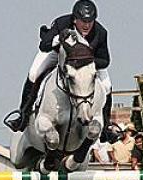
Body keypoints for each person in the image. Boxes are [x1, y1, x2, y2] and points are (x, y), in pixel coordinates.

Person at [7, 0, 113, 133]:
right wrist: (58, 38)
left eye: (90, 21)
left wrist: (86, 62)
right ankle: (22, 115)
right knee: (33, 73)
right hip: (56, 54)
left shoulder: (100, 32)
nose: (87, 25)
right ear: (75, 19)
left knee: (107, 85)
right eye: (83, 21)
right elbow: (44, 46)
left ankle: (106, 127)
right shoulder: (61, 23)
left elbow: (105, 60)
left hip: (86, 64)